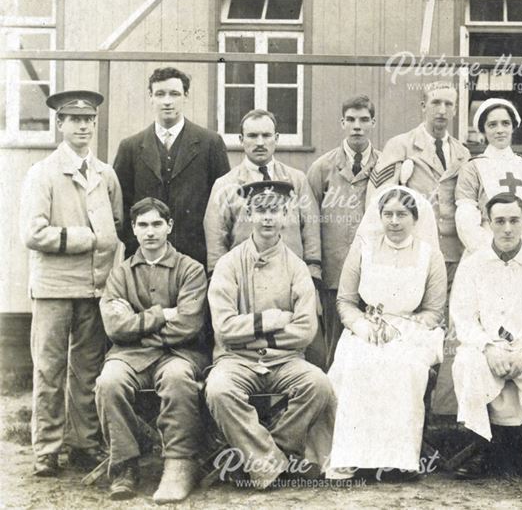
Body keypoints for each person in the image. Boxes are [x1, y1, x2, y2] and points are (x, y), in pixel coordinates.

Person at [204, 181, 335, 490]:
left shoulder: (297, 267)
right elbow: (223, 328)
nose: (267, 218)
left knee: (318, 384)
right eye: (260, 211)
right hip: (236, 360)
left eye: (274, 211)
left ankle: (271, 457)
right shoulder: (228, 264)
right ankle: (274, 464)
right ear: (249, 214)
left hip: (285, 361)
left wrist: (252, 334)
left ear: (285, 215)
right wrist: (272, 320)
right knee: (219, 390)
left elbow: (304, 331)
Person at [20, 90, 122, 477]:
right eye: (74, 120)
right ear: (60, 124)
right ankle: (46, 450)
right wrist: (84, 238)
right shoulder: (42, 173)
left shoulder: (105, 173)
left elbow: (115, 224)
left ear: (95, 124)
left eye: (88, 120)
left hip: (94, 288)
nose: (82, 126)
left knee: (88, 370)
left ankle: (84, 445)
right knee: (49, 369)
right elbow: (33, 233)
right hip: (53, 288)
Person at [326, 187, 447, 481]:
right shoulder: (364, 249)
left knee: (403, 368)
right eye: (388, 214)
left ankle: (397, 459)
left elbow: (434, 311)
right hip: (366, 327)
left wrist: (402, 329)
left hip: (412, 332)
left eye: (402, 214)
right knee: (356, 365)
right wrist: (362, 326)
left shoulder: (429, 256)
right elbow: (345, 300)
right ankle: (352, 457)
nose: (394, 221)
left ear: (415, 219)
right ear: (379, 217)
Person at [366, 82, 471, 415]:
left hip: (453, 253)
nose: (442, 111)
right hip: (414, 254)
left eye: (448, 105)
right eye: (436, 103)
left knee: (448, 329)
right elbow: (378, 200)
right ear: (422, 106)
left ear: (455, 110)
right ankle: (409, 411)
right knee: (415, 328)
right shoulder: (400, 145)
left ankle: (445, 413)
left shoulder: (462, 152)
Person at [95, 198, 209, 502]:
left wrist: (136, 324)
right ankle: (125, 465)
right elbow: (114, 327)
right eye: (143, 225)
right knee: (109, 381)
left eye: (157, 224)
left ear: (169, 227)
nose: (150, 232)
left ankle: (180, 464)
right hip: (129, 357)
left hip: (179, 354)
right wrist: (161, 314)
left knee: (177, 379)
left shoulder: (191, 269)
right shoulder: (121, 273)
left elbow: (188, 325)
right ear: (133, 229)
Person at [450, 193, 522, 483]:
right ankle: (482, 443)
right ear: (488, 223)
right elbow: (463, 316)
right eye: (499, 221)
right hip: (489, 344)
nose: (507, 228)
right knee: (467, 360)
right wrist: (488, 347)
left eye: (514, 220)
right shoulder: (473, 264)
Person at [113, 67, 230, 267]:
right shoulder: (130, 146)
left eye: (174, 94)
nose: (167, 101)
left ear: (186, 96)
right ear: (150, 97)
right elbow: (119, 205)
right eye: (160, 94)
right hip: (144, 258)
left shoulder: (210, 143)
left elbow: (223, 203)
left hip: (196, 257)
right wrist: (136, 244)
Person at [203, 109, 322, 285]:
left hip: (291, 279)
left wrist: (312, 278)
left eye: (266, 135)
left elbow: (311, 231)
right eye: (252, 136)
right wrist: (221, 281)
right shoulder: (225, 185)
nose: (260, 142)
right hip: (244, 280)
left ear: (277, 138)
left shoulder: (297, 180)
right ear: (241, 140)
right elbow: (216, 239)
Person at [305, 95, 381, 370]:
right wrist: (314, 269)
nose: (357, 126)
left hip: (372, 272)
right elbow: (309, 220)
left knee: (371, 342)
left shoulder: (385, 166)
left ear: (373, 122)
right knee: (334, 346)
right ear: (342, 123)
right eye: (350, 120)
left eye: (363, 120)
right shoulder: (322, 168)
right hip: (334, 274)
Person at [455, 98, 522, 254]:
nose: (500, 130)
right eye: (492, 125)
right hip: (485, 251)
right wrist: (492, 253)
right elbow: (466, 218)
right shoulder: (472, 168)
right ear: (483, 129)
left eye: (505, 123)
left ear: (513, 127)